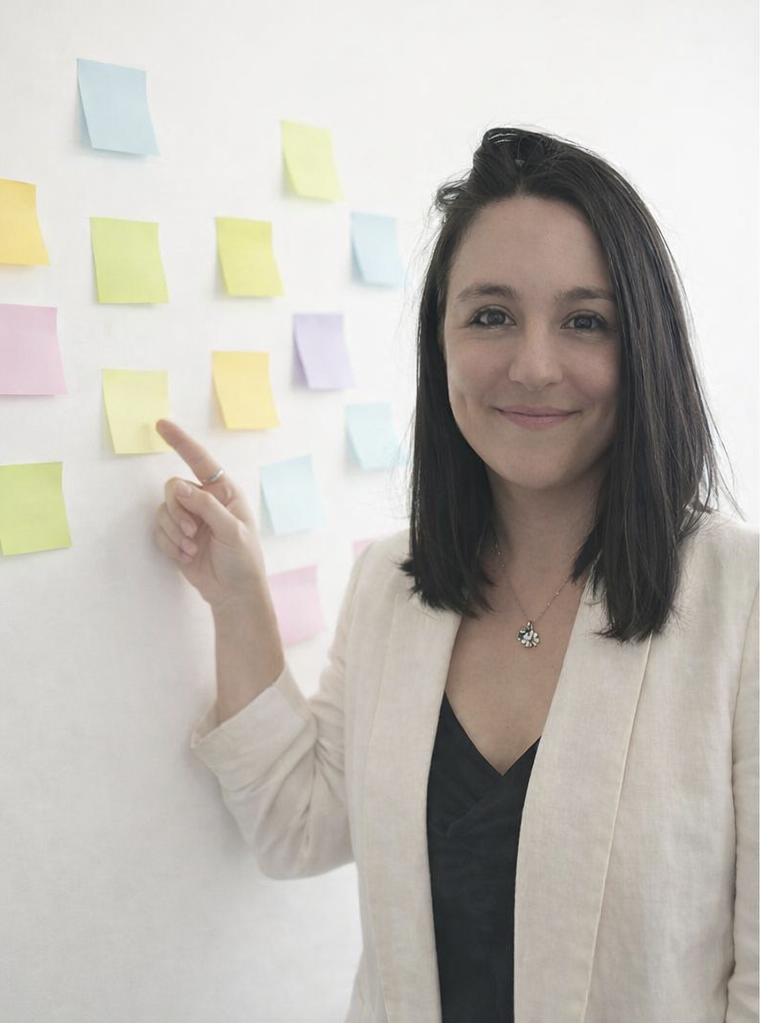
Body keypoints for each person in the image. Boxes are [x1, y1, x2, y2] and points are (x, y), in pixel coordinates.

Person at [152, 127, 758, 1023]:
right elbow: (298, 824)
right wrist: (238, 596)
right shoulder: (391, 584)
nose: (535, 364)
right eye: (491, 314)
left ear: (646, 347)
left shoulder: (740, 599)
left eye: (585, 320)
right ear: (440, 344)